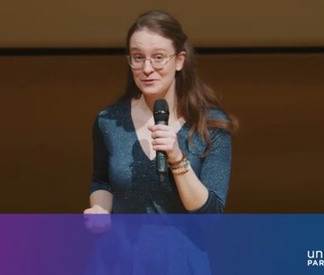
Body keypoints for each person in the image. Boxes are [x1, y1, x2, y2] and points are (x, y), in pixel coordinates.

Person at [84, 10, 237, 217]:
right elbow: (102, 182)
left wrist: (177, 158)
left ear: (180, 60)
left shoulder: (210, 124)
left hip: (183, 248)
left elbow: (211, 215)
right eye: (138, 57)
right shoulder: (109, 121)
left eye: (158, 57)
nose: (147, 68)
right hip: (121, 248)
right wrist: (99, 210)